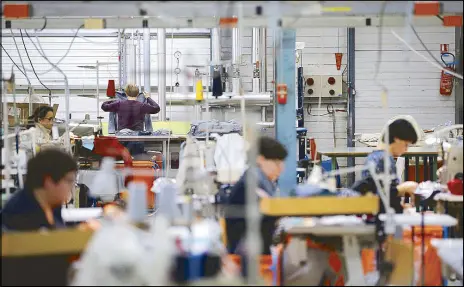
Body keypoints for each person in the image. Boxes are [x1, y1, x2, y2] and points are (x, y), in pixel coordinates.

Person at [225, 136, 288, 255]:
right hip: (249, 259)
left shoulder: (260, 182)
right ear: (260, 159)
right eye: (277, 162)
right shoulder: (250, 186)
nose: (281, 168)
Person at [1, 149, 78, 231]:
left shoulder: (52, 203)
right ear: (49, 182)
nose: (72, 186)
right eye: (69, 181)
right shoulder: (19, 215)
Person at [354, 118, 420, 213]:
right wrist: (405, 187)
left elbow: (386, 194)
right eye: (406, 144)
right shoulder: (382, 160)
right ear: (397, 139)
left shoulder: (380, 157)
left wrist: (401, 207)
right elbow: (379, 198)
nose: (406, 150)